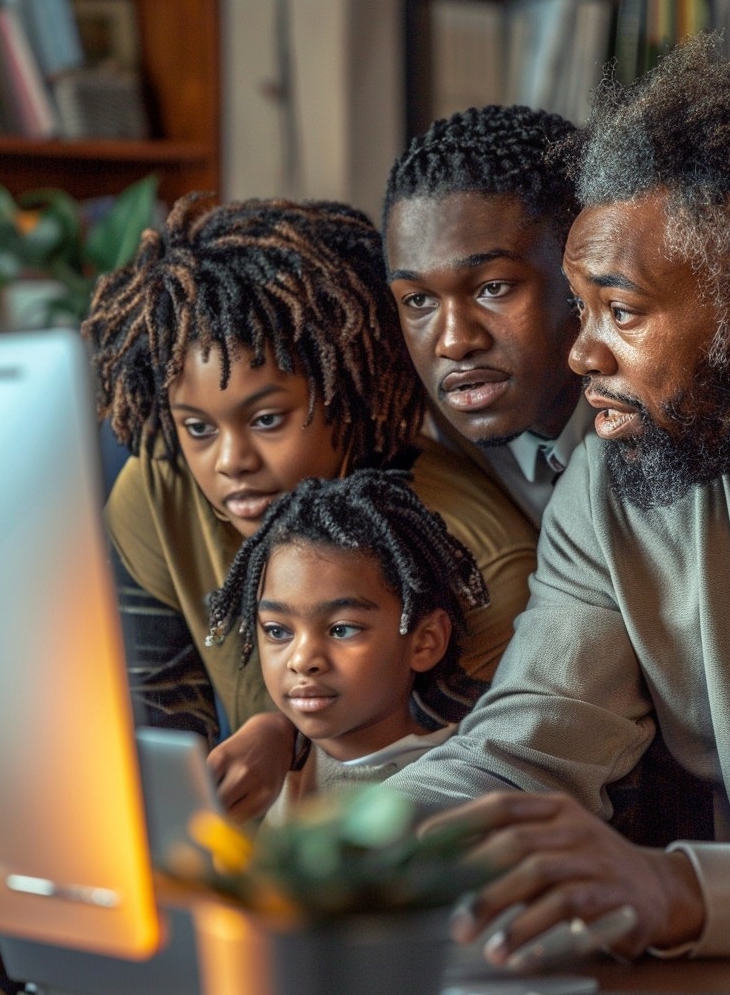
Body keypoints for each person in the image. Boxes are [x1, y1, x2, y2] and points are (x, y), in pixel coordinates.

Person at [382, 33, 730, 966]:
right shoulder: (617, 488)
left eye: (624, 312)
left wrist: (673, 887)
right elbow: (523, 753)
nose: (581, 354)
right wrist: (347, 853)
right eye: (582, 308)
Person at [83, 192, 536, 816]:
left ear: (346, 391)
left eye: (267, 419)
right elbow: (156, 734)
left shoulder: (473, 553)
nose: (229, 461)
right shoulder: (159, 489)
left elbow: (474, 771)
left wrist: (287, 735)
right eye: (197, 428)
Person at [205, 470, 489, 820]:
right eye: (278, 631)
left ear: (424, 642)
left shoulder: (460, 786)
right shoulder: (259, 772)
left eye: (341, 630)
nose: (302, 660)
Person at [382, 103, 595, 532]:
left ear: (583, 273)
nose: (454, 342)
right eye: (419, 300)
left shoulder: (679, 428)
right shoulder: (416, 446)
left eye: (492, 289)